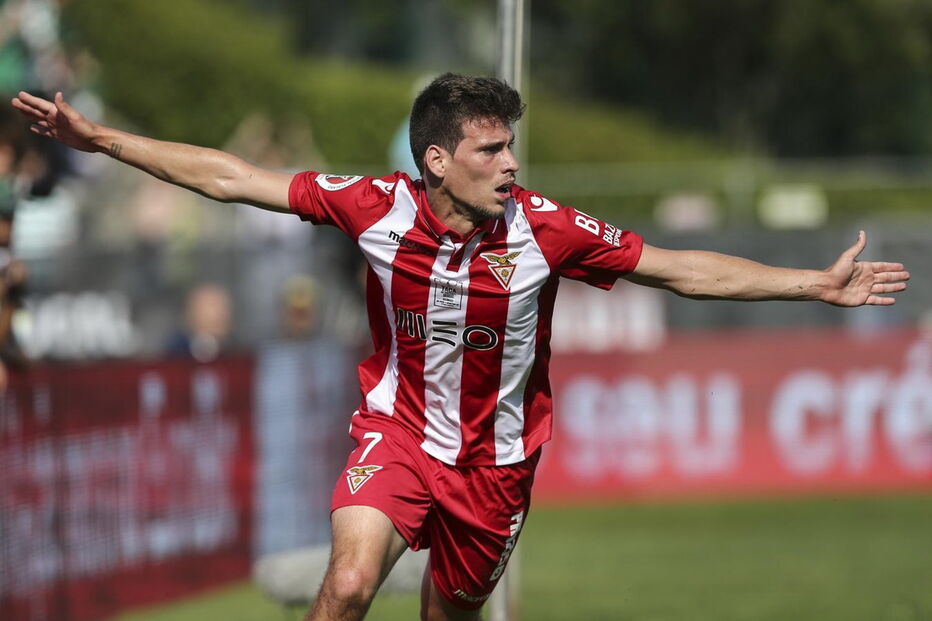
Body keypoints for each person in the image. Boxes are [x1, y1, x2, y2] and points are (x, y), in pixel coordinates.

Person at [11, 74, 909, 621]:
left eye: (512, 147)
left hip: (495, 464)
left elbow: (679, 269)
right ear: (437, 161)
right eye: (491, 149)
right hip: (398, 433)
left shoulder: (547, 230)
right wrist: (101, 140)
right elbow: (232, 177)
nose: (511, 164)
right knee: (349, 583)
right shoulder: (374, 207)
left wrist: (813, 284)